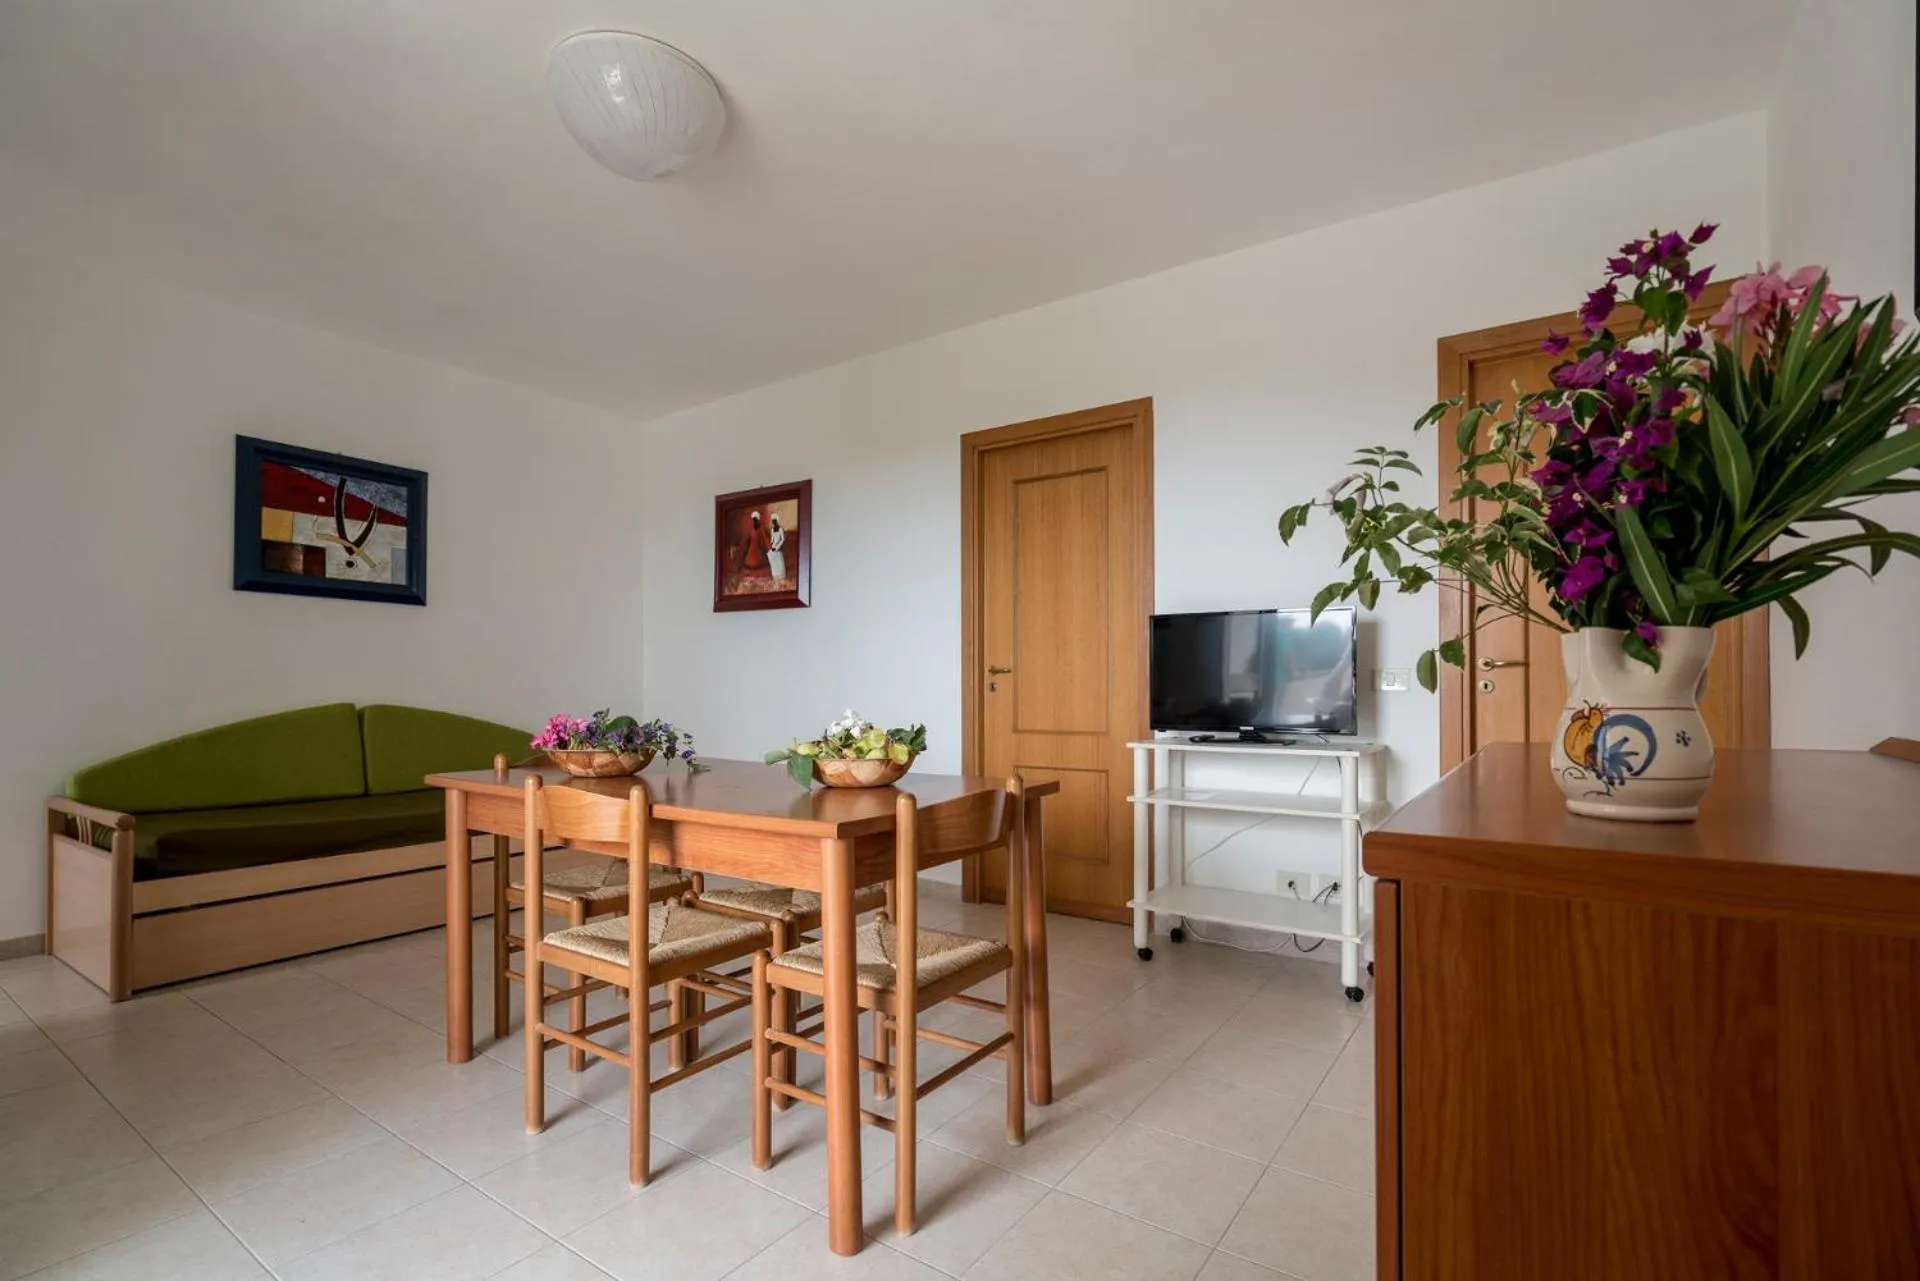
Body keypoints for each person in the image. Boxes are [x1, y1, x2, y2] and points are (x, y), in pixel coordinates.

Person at [741, 510, 770, 577]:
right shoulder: (752, 529)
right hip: (751, 549)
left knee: (760, 563)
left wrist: (768, 546)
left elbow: (765, 538)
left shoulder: (761, 528)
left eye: (756, 519)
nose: (754, 521)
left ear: (758, 520)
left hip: (759, 550)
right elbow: (748, 538)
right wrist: (744, 543)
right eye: (753, 520)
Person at [767, 513, 787, 582]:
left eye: (774, 520)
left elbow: (782, 539)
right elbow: (772, 539)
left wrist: (777, 547)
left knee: (778, 561)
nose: (773, 522)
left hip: (778, 547)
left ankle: (780, 576)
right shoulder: (772, 530)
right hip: (773, 546)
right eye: (772, 521)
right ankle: (775, 575)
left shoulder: (780, 529)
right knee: (770, 555)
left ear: (776, 521)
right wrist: (771, 546)